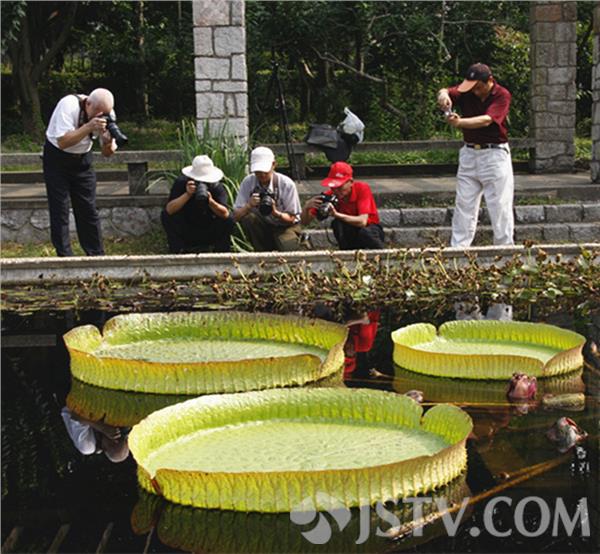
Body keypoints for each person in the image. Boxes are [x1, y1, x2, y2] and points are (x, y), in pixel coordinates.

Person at [437, 63, 514, 248]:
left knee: (499, 206)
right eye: (472, 87)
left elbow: (487, 120)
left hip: (494, 154)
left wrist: (460, 123)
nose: (475, 91)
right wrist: (443, 96)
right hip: (469, 153)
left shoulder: (502, 95)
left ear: (490, 81)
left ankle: (505, 249)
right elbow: (446, 90)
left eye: (478, 87)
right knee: (464, 204)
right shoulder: (468, 91)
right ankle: (458, 249)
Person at [43, 88, 118, 256]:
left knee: (88, 208)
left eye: (103, 113)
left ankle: (96, 255)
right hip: (57, 159)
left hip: (83, 160)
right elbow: (63, 142)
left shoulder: (107, 114)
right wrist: (89, 127)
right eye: (96, 112)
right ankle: (65, 257)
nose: (100, 116)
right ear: (87, 103)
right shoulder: (68, 105)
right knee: (60, 209)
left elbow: (107, 153)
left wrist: (108, 143)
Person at [301, 161, 384, 250]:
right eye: (333, 188)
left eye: (340, 187)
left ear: (351, 182)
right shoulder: (331, 195)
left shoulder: (362, 189)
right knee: (337, 224)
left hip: (369, 228)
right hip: (349, 232)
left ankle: (379, 253)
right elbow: (304, 222)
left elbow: (362, 221)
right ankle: (346, 252)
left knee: (365, 233)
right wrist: (306, 208)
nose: (336, 191)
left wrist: (336, 214)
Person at [233, 146, 302, 251]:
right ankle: (261, 252)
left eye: (265, 171)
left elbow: (292, 218)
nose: (262, 175)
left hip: (285, 226)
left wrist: (275, 212)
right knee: (249, 218)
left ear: (274, 165)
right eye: (258, 171)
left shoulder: (286, 184)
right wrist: (248, 206)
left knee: (288, 248)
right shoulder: (248, 182)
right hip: (262, 225)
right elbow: (235, 216)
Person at [161, 155, 234, 253]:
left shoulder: (216, 187)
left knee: (229, 219)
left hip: (209, 228)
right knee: (166, 216)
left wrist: (211, 201)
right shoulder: (181, 183)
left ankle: (221, 251)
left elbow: (225, 214)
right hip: (187, 228)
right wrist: (187, 194)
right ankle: (177, 250)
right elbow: (169, 210)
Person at [61, 407, 130, 463]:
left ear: (104, 448)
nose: (114, 437)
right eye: (119, 439)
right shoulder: (121, 429)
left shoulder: (87, 447)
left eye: (111, 444)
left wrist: (103, 428)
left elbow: (75, 416)